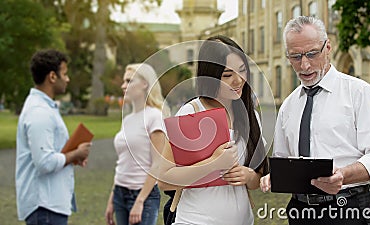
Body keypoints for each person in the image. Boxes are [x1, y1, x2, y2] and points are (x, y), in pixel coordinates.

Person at [260, 16, 370, 225]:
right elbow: (283, 159)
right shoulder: (288, 105)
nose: (304, 65)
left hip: (348, 209)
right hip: (300, 212)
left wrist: (343, 175)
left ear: (328, 47)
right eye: (295, 57)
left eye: (312, 54)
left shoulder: (359, 93)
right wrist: (274, 176)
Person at [158, 35, 268, 225]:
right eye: (227, 75)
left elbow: (256, 179)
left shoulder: (250, 116)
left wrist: (249, 175)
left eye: (242, 70)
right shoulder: (192, 112)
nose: (238, 80)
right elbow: (165, 179)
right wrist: (213, 163)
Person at [15, 49, 91, 225]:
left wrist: (71, 156)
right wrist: (75, 155)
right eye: (64, 74)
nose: (67, 79)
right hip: (44, 207)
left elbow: (49, 152)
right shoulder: (39, 112)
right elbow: (44, 162)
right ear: (52, 76)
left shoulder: (44, 107)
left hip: (49, 205)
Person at [104, 63, 168, 225]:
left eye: (128, 81)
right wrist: (112, 198)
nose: (123, 85)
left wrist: (140, 201)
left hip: (142, 196)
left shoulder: (154, 116)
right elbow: (123, 162)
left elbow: (157, 164)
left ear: (145, 83)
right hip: (120, 193)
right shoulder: (127, 119)